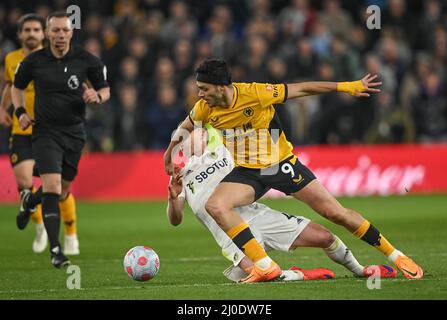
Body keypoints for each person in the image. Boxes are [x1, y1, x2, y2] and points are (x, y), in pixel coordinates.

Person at [164, 58, 423, 282]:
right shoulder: (205, 109)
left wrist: (345, 86)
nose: (199, 94)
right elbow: (185, 126)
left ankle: (396, 256)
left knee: (336, 213)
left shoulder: (255, 93)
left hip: (280, 164)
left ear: (221, 87)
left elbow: (302, 89)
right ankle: (265, 267)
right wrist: (170, 153)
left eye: (203, 89)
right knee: (217, 205)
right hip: (248, 172)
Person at [166, 128, 397, 282]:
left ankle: (360, 270)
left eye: (197, 133)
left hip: (259, 217)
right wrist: (173, 198)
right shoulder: (180, 175)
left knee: (325, 237)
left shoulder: (226, 153)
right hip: (230, 235)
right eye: (187, 137)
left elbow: (259, 164)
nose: (194, 138)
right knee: (266, 275)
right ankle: (300, 275)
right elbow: (175, 220)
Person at [11, 12, 110, 267]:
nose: (60, 35)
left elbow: (105, 89)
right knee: (53, 188)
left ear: (71, 32)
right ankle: (56, 250)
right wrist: (20, 112)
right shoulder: (33, 61)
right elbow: (16, 87)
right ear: (47, 33)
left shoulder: (86, 60)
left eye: (65, 30)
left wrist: (96, 97)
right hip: (45, 133)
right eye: (55, 31)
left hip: (75, 133)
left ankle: (30, 201)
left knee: (62, 190)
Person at [0, 13, 80, 255]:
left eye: (36, 30)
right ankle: (40, 227)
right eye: (27, 30)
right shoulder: (11, 59)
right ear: (20, 34)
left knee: (57, 188)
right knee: (25, 186)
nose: (32, 34)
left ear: (43, 33)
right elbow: (12, 86)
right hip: (21, 130)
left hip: (51, 130)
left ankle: (70, 233)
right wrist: (3, 108)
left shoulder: (54, 58)